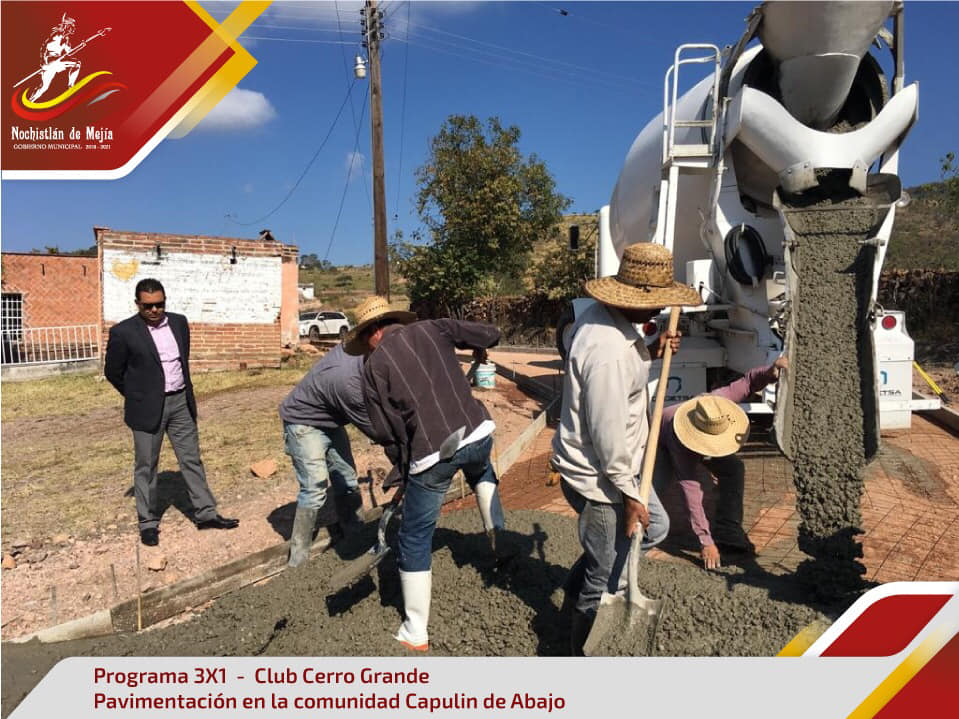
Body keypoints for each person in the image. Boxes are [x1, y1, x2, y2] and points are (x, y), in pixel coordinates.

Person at [552, 242, 701, 655]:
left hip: (625, 464)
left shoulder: (612, 326)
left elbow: (622, 381)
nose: (656, 311)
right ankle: (575, 648)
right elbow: (607, 433)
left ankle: (577, 588)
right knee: (603, 570)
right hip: (601, 477)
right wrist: (629, 494)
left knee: (657, 527)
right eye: (651, 303)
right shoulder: (609, 352)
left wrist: (650, 353)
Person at [349, 297, 504, 652]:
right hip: (478, 433)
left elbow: (386, 432)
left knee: (415, 536)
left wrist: (404, 471)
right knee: (482, 470)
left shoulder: (373, 369)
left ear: (373, 332)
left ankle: (415, 631)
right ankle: (500, 545)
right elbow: (490, 334)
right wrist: (480, 345)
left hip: (433, 455)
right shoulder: (435, 326)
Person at [278, 301, 415, 568]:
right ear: (373, 333)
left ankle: (356, 537)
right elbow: (379, 431)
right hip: (303, 422)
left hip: (331, 419)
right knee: (315, 488)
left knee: (348, 480)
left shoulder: (375, 356)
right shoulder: (348, 380)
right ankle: (298, 561)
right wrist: (406, 463)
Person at [104, 278, 238, 546]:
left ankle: (206, 514)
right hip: (146, 408)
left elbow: (181, 360)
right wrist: (138, 396)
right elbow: (113, 372)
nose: (154, 310)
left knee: (191, 459)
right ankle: (148, 522)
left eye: (159, 305)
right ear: (137, 304)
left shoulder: (178, 322)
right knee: (146, 466)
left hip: (180, 403)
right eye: (148, 306)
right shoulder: (124, 332)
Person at [659, 357, 788, 569]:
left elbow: (748, 382)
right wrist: (705, 541)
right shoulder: (679, 439)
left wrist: (770, 371)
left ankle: (729, 529)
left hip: (692, 435)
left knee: (733, 468)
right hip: (661, 444)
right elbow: (690, 489)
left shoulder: (718, 402)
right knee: (658, 485)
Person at [29, 14, 81, 103]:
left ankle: (30, 100)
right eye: (71, 27)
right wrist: (43, 63)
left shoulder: (66, 39)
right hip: (51, 61)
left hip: (56, 62)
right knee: (77, 64)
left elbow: (70, 52)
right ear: (66, 26)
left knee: (44, 87)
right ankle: (71, 86)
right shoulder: (56, 36)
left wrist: (81, 46)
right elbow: (44, 48)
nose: (73, 29)